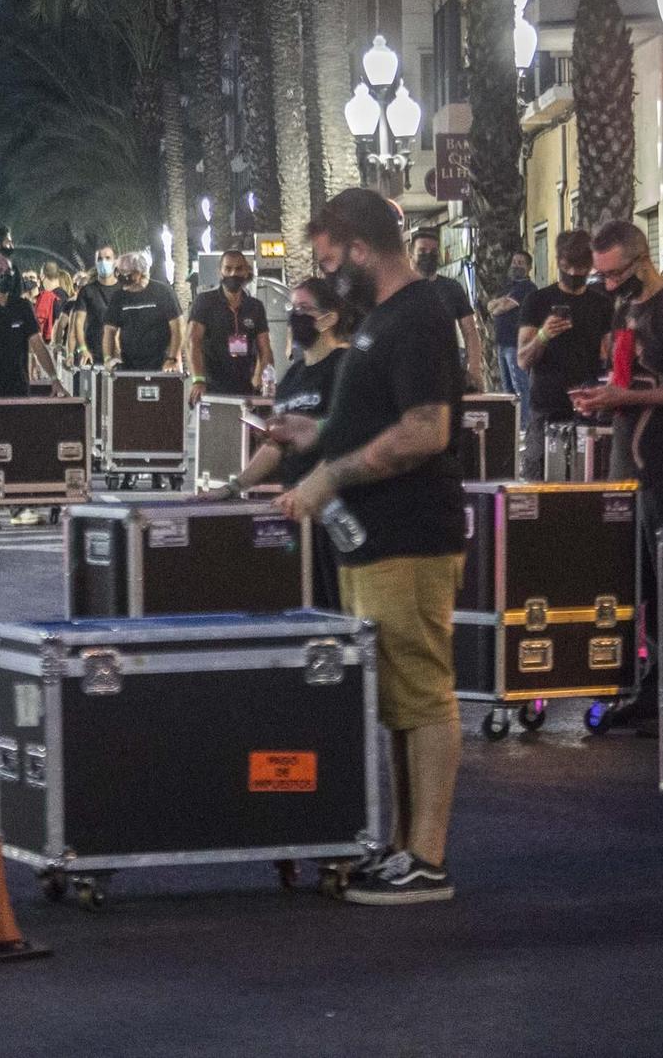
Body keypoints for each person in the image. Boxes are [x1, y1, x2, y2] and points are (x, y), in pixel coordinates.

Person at [267, 188, 462, 906]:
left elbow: (425, 429)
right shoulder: (383, 320)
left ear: (358, 245)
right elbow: (371, 419)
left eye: (329, 256)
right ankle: (407, 846)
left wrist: (330, 475)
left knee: (422, 691)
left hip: (408, 533)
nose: (327, 273)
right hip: (373, 538)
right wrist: (313, 437)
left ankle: (429, 856)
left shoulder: (417, 317)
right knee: (399, 699)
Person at [574, 221, 663, 733]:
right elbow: (628, 379)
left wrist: (624, 399)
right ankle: (651, 687)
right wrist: (603, 397)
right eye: (601, 275)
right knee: (640, 588)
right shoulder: (625, 308)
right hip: (631, 467)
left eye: (615, 273)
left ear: (642, 260)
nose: (608, 284)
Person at [218, 276, 352, 608]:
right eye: (292, 308)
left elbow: (352, 436)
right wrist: (234, 486)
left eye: (304, 309)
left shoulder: (346, 367)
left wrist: (314, 486)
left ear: (329, 317)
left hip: (335, 510)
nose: (295, 315)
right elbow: (275, 447)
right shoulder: (293, 375)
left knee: (340, 608)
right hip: (295, 512)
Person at [516, 230, 613, 478]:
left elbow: (609, 356)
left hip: (587, 411)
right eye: (568, 266)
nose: (573, 273)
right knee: (540, 482)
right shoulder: (537, 301)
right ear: (559, 262)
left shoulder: (601, 304)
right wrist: (543, 335)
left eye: (581, 267)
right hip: (546, 409)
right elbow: (523, 359)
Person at [0, 254, 65, 399]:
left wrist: (54, 379)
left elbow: (38, 344)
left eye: (8, 272)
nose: (4, 276)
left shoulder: (23, 306)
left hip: (17, 391)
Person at [185, 249, 273, 405]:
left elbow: (265, 348)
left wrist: (261, 379)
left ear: (246, 272)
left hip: (246, 388)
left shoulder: (255, 307)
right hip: (211, 387)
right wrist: (198, 380)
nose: (233, 273)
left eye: (239, 269)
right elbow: (192, 342)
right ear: (220, 272)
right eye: (228, 269)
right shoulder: (205, 301)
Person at [410, 228, 487, 392]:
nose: (428, 255)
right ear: (410, 255)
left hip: (445, 374)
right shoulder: (398, 289)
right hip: (408, 373)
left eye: (433, 251)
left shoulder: (452, 288)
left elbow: (470, 331)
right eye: (422, 251)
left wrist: (474, 369)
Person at [103, 251, 182, 372]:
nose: (121, 276)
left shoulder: (163, 291)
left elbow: (178, 328)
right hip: (129, 364)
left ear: (139, 272)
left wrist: (172, 359)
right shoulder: (119, 296)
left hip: (162, 363)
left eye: (125, 272)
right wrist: (108, 359)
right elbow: (109, 330)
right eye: (119, 271)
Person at [485, 249, 537, 402]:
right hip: (502, 344)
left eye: (521, 263)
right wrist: (500, 302)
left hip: (515, 345)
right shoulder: (509, 286)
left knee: (520, 388)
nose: (516, 265)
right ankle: (513, 422)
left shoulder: (527, 288)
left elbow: (501, 308)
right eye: (514, 262)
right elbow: (490, 306)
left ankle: (524, 423)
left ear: (529, 268)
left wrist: (499, 304)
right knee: (507, 391)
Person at [74, 245, 121, 366]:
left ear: (115, 261)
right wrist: (83, 349)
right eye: (99, 259)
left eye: (107, 258)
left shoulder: (124, 290)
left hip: (120, 355)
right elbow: (78, 323)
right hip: (94, 355)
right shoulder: (87, 291)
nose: (103, 262)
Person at [33, 262, 66, 343]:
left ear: (42, 276)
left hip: (49, 345)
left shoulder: (46, 297)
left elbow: (39, 325)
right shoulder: (66, 296)